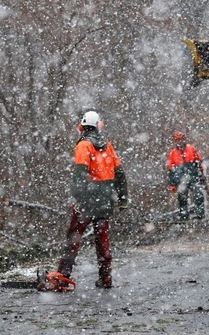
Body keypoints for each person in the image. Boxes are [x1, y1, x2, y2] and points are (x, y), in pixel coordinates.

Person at [56, 110, 128, 289]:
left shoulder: (84, 146)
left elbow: (80, 174)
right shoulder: (108, 145)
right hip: (106, 197)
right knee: (102, 237)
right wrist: (123, 197)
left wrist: (79, 197)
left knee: (74, 235)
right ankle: (106, 277)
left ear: (83, 126)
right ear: (98, 126)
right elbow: (120, 173)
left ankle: (63, 275)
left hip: (89, 198)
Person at [167, 131, 205, 221]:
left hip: (193, 177)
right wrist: (173, 184)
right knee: (182, 198)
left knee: (198, 195)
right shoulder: (173, 153)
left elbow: (199, 161)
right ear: (175, 142)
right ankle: (184, 216)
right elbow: (171, 170)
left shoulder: (191, 149)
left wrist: (201, 172)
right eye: (177, 140)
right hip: (181, 180)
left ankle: (200, 214)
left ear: (184, 140)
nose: (179, 142)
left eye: (180, 139)